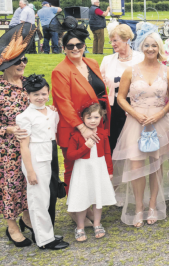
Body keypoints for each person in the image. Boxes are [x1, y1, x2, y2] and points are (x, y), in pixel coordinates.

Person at [0, 24, 38, 248]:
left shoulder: (29, 85)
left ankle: (26, 216)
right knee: (12, 185)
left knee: (29, 183)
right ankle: (11, 225)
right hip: (11, 150)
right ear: (5, 66)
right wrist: (9, 129)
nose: (22, 64)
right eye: (17, 61)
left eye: (24, 60)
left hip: (33, 146)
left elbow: (41, 103)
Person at [111, 24, 169, 227]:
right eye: (146, 45)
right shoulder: (131, 71)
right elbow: (120, 98)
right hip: (136, 122)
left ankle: (153, 205)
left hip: (159, 122)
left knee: (156, 166)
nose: (150, 49)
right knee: (137, 165)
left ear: (159, 48)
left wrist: (161, 114)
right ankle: (138, 207)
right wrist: (135, 114)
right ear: (141, 47)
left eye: (154, 45)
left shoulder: (168, 71)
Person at [51, 17, 110, 225]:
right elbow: (63, 102)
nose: (75, 48)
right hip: (74, 129)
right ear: (64, 48)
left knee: (93, 167)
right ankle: (76, 210)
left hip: (95, 123)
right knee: (74, 170)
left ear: (84, 46)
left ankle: (91, 207)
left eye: (79, 45)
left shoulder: (91, 63)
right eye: (70, 46)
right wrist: (81, 127)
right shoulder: (60, 71)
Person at [16, 75, 69, 250]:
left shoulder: (52, 112)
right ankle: (44, 240)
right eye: (35, 94)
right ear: (28, 96)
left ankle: (47, 232)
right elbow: (24, 146)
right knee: (38, 198)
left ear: (48, 94)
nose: (40, 97)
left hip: (51, 153)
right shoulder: (24, 117)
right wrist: (30, 171)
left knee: (50, 195)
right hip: (35, 157)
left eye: (43, 94)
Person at [66, 103, 116, 241]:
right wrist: (85, 147)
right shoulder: (76, 135)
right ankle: (80, 226)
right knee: (83, 197)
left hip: (98, 168)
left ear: (101, 117)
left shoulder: (103, 133)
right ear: (82, 118)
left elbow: (106, 153)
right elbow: (70, 155)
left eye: (96, 117)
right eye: (89, 117)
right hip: (83, 170)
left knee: (97, 197)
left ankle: (97, 223)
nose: (93, 120)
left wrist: (109, 171)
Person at [100, 24, 145, 151]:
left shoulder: (141, 58)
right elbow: (100, 85)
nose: (112, 44)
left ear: (126, 39)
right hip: (114, 109)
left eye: (115, 40)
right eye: (111, 41)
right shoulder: (107, 60)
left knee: (133, 145)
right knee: (114, 144)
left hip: (136, 107)